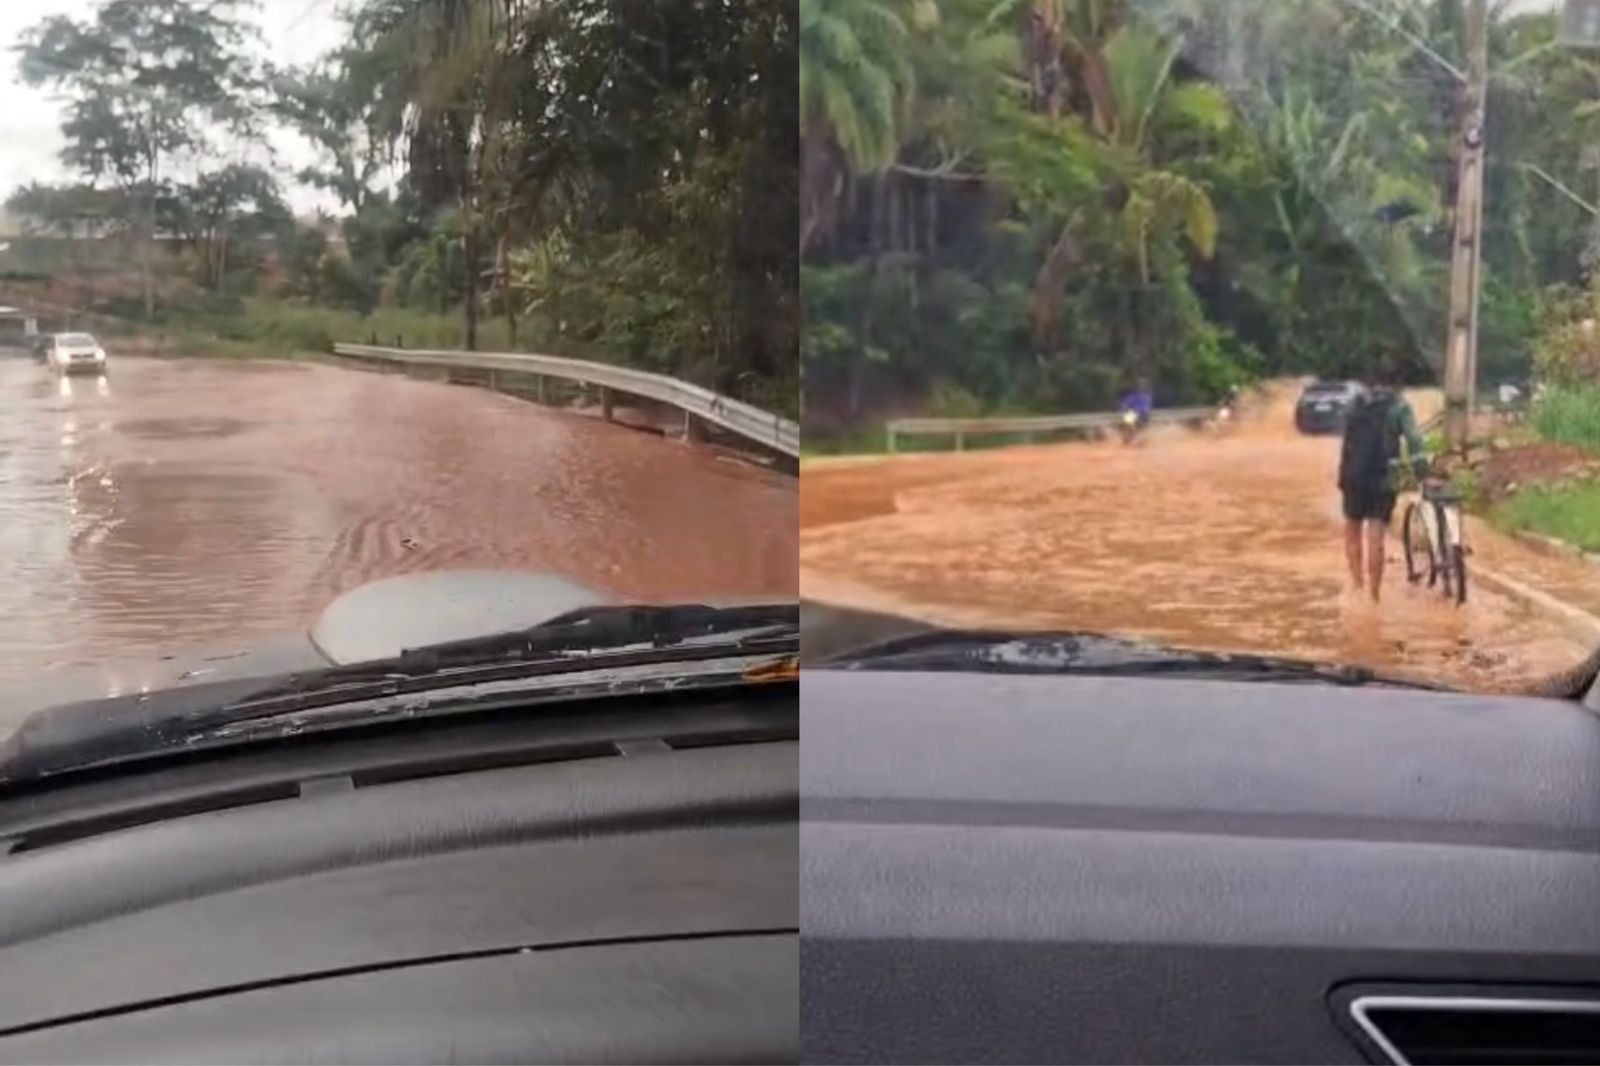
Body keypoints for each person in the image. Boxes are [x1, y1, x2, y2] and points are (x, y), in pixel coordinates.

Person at [1338, 370, 1427, 602]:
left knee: (1352, 529)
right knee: (1375, 533)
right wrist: (1421, 471)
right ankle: (1374, 596)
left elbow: (1346, 438)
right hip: (1382, 478)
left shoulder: (1355, 403)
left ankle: (1357, 587)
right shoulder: (1399, 407)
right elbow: (1415, 439)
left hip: (1352, 476)